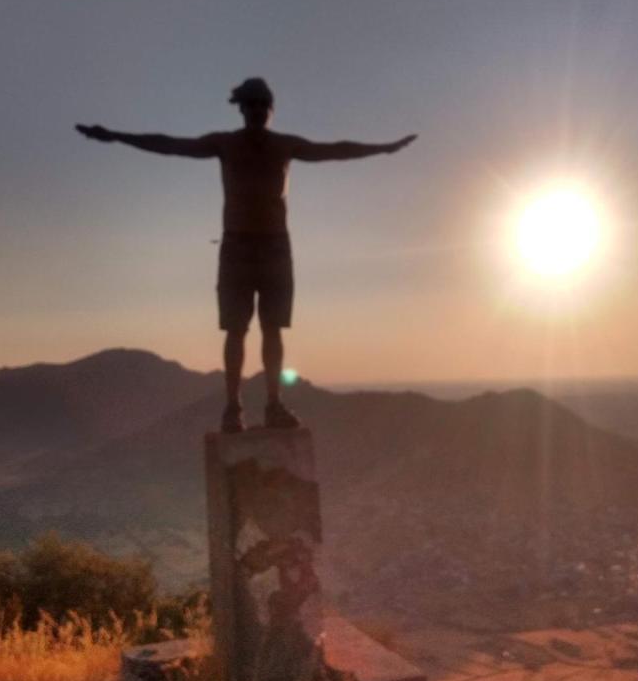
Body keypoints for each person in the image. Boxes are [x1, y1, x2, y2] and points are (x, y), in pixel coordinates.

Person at [76, 77, 415, 433]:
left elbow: (335, 149)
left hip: (274, 244)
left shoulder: (282, 145)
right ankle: (233, 408)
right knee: (237, 330)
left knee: (272, 328)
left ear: (270, 110)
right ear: (242, 110)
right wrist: (117, 136)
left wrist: (384, 148)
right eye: (250, 105)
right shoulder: (226, 143)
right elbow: (170, 144)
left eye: (261, 105)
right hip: (238, 244)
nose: (255, 111)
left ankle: (273, 405)